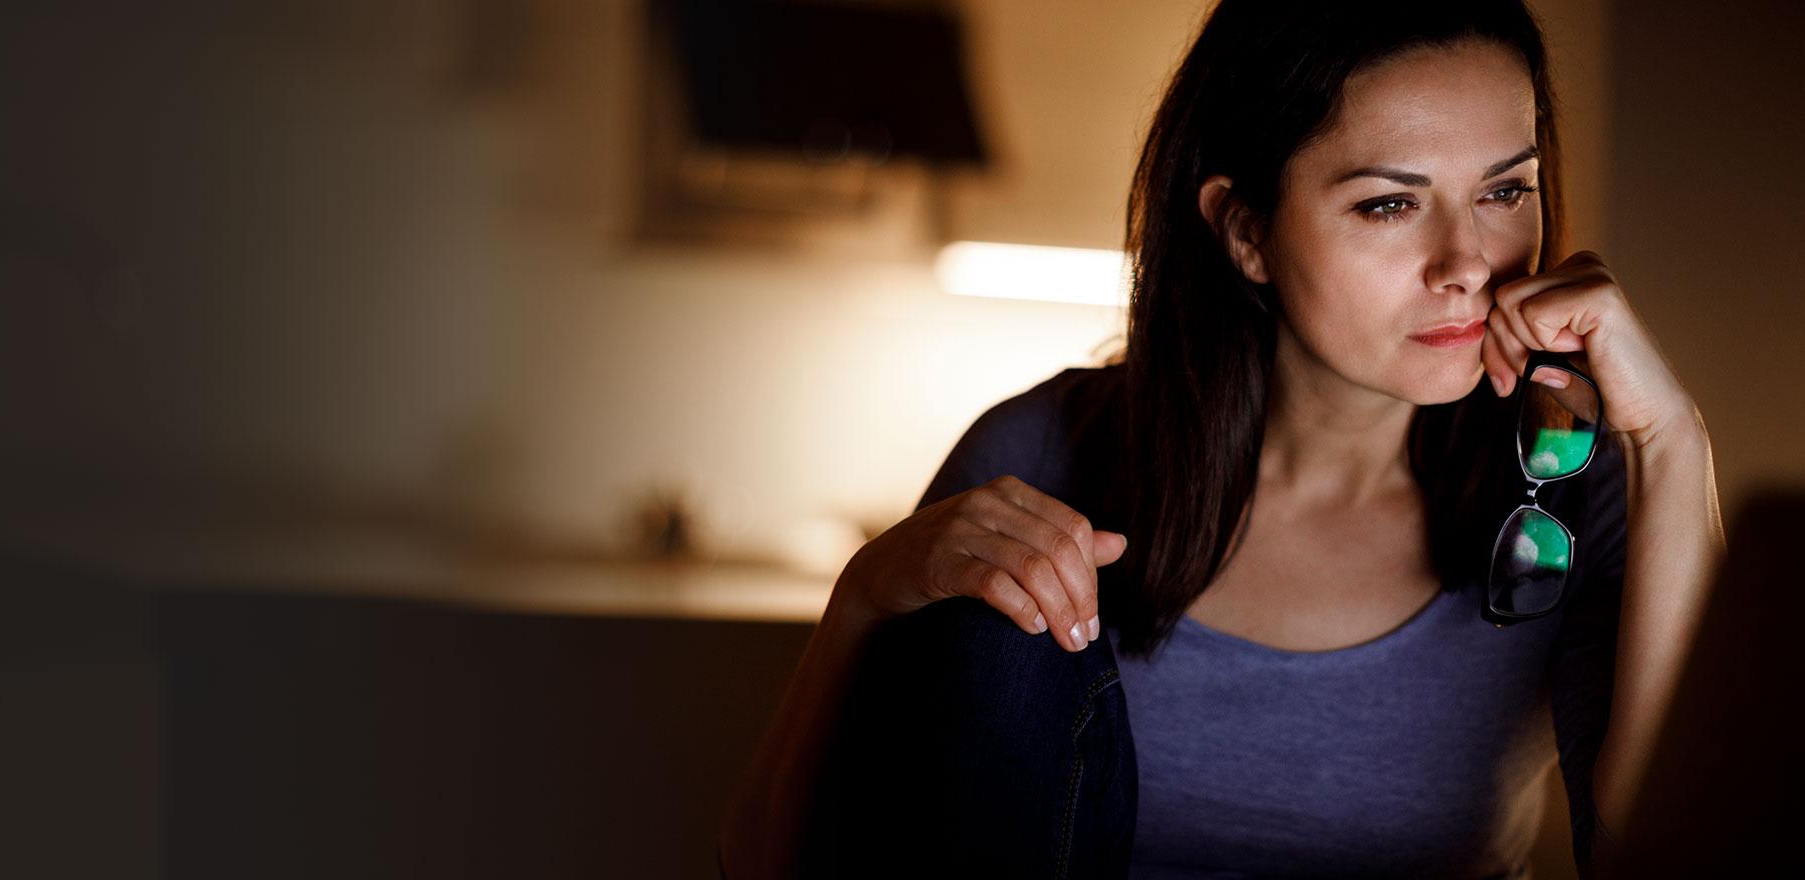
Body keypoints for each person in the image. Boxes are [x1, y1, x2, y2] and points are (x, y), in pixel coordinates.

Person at [718, 1, 1726, 877]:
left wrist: (1670, 440)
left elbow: (1677, 858)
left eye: (1504, 190)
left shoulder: (1564, 480)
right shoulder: (1044, 449)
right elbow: (773, 864)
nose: (1466, 262)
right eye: (1387, 203)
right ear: (1244, 230)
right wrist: (865, 593)